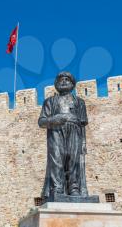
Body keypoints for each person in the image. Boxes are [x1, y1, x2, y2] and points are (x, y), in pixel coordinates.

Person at [38, 71, 89, 199]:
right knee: (56, 159)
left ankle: (74, 188)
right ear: (56, 84)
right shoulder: (49, 101)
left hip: (74, 132)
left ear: (73, 84)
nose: (64, 81)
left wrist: (83, 143)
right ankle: (57, 188)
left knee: (73, 160)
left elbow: (82, 125)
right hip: (56, 131)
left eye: (67, 79)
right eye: (61, 79)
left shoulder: (80, 102)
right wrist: (55, 119)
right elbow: (42, 121)